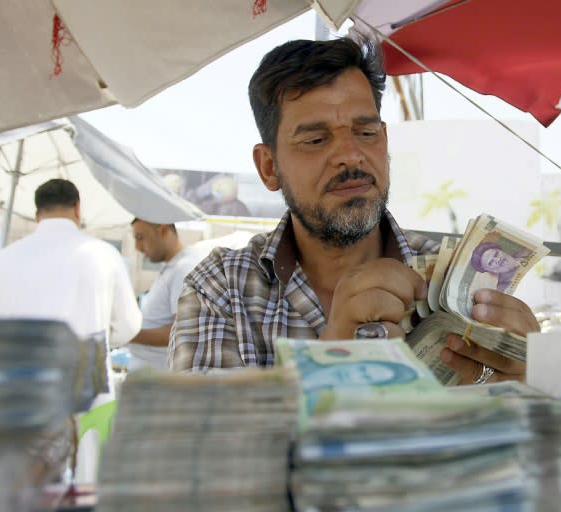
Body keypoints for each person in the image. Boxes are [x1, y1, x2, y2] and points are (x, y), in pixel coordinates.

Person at [169, 37, 538, 384]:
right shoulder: (222, 288)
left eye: (366, 133)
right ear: (269, 167)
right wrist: (331, 360)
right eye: (315, 139)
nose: (350, 155)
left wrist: (524, 381)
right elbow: (199, 448)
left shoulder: (456, 284)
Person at [0, 178, 142, 483]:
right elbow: (130, 325)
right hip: (86, 384)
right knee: (85, 479)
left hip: (20, 388)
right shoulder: (104, 255)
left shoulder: (6, 258)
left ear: (38, 213)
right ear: (78, 208)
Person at [128, 218, 211, 369]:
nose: (137, 247)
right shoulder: (173, 267)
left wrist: (127, 333)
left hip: (160, 382)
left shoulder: (184, 268)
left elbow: (182, 333)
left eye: (141, 238)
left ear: (163, 230)